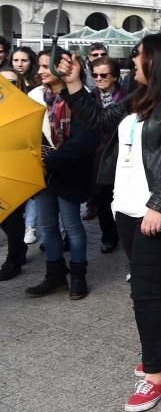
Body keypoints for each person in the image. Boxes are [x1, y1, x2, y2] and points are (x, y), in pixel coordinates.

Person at [58, 34, 161, 412]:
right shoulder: (138, 96)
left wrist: (159, 205)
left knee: (145, 287)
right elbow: (98, 120)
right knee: (159, 279)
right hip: (126, 205)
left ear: (157, 61)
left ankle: (154, 374)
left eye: (138, 55)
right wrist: (75, 83)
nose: (132, 62)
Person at [25, 48, 99, 300]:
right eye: (40, 66)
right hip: (42, 171)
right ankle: (54, 274)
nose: (40, 71)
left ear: (61, 68)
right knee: (47, 227)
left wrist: (51, 160)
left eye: (46, 66)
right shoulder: (35, 96)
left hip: (69, 171)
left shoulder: (79, 97)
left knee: (72, 225)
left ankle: (78, 276)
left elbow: (83, 141)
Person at [90, 56, 127, 254]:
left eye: (103, 75)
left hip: (123, 156)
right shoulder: (89, 98)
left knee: (123, 199)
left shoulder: (127, 97)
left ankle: (126, 233)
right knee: (103, 200)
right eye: (94, 75)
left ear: (114, 76)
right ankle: (109, 236)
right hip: (99, 157)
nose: (98, 78)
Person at [0, 66, 29, 280]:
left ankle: (13, 259)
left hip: (17, 169)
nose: (7, 86)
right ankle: (18, 247)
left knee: (12, 215)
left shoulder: (27, 107)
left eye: (12, 82)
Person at [12, 46, 40, 244]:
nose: (19, 64)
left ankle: (30, 226)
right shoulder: (7, 84)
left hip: (32, 143)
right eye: (16, 60)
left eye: (24, 60)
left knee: (32, 192)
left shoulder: (37, 88)